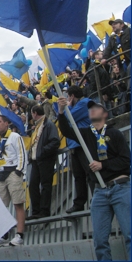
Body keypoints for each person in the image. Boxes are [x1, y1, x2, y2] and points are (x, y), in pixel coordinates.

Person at [58, 98, 130, 261]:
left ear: (104, 114)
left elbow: (126, 161)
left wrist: (102, 165)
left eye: (96, 108)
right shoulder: (86, 134)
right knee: (99, 241)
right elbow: (67, 131)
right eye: (90, 109)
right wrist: (61, 111)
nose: (92, 111)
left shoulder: (115, 133)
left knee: (130, 234)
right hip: (100, 191)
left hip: (120, 187)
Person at [0, 115, 27, 247]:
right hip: (1, 174)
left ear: (6, 123)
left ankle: (19, 235)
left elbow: (21, 154)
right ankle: (4, 234)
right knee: (1, 207)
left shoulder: (14, 136)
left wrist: (19, 171)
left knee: (18, 203)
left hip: (13, 172)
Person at [63, 86, 94, 214]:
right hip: (74, 145)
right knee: (78, 176)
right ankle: (79, 203)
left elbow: (68, 117)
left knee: (90, 173)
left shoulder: (84, 103)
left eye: (68, 97)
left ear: (72, 96)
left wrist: (68, 106)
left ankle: (96, 199)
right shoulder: (77, 105)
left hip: (84, 144)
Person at [27, 105, 60, 219]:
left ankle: (44, 211)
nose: (32, 116)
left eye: (32, 113)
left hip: (45, 159)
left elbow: (55, 141)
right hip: (36, 160)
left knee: (45, 185)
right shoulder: (38, 126)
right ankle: (36, 211)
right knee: (33, 185)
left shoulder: (48, 124)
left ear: (35, 113)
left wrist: (42, 151)